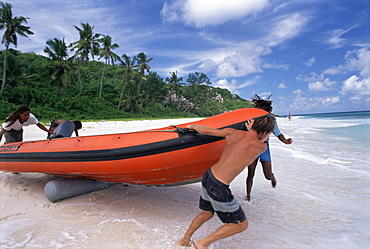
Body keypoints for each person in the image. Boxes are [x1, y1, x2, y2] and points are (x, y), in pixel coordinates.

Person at [179, 114, 275, 249]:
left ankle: (185, 239)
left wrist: (192, 126)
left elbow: (206, 130)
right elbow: (260, 141)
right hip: (219, 186)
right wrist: (258, 134)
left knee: (206, 213)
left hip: (209, 176)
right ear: (265, 132)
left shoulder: (232, 132)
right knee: (241, 224)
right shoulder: (261, 147)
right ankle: (203, 243)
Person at [246, 94, 293, 201]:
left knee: (267, 175)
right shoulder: (252, 119)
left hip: (264, 148)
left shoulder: (271, 120)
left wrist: (285, 141)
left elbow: (278, 133)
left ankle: (272, 177)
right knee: (250, 173)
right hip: (253, 147)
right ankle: (248, 196)